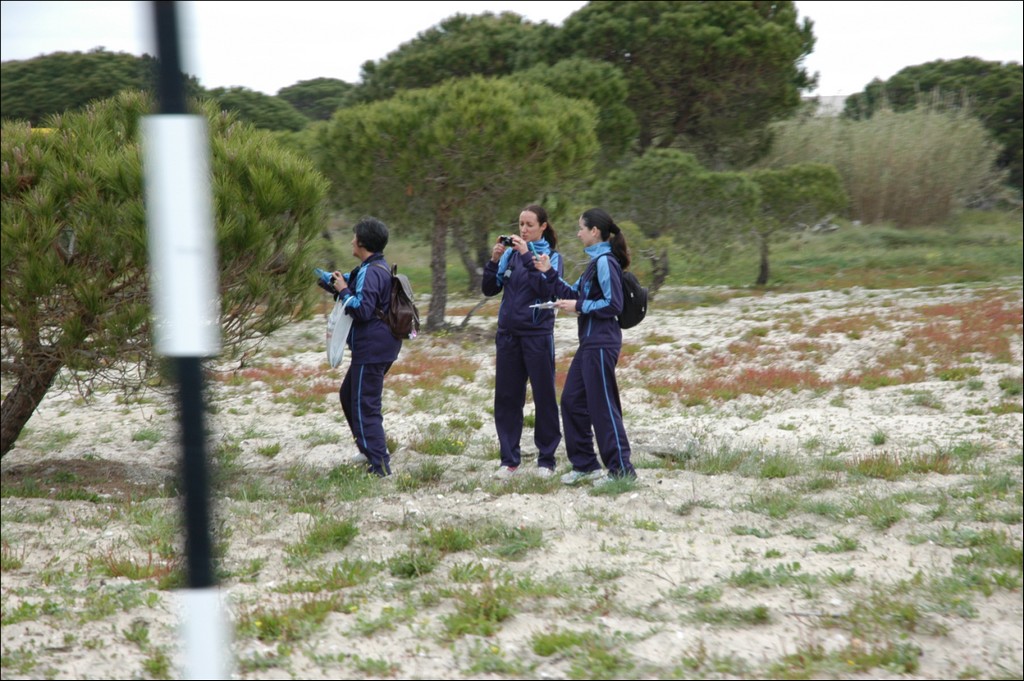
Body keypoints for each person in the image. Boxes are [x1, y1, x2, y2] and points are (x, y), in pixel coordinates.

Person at [535, 208, 636, 485]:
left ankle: (622, 472)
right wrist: (548, 273)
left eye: (581, 228)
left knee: (603, 407)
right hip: (590, 343)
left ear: (595, 232)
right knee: (571, 401)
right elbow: (571, 294)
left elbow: (614, 304)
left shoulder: (605, 262)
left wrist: (580, 306)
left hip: (602, 343)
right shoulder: (593, 264)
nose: (577, 233)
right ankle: (585, 465)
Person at [481, 204, 564, 479]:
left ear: (542, 226)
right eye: (520, 225)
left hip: (537, 336)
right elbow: (489, 289)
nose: (524, 230)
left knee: (544, 397)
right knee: (506, 398)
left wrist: (528, 255)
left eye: (529, 225)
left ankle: (547, 460)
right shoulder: (510, 258)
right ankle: (509, 460)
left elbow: (547, 289)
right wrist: (494, 261)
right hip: (508, 336)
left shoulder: (551, 256)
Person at [329, 217, 402, 477]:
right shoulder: (375, 267)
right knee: (349, 395)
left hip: (372, 349)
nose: (351, 240)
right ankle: (367, 450)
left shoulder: (371, 272)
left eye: (353, 237)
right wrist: (337, 285)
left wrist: (344, 291)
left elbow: (362, 310)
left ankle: (380, 465)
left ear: (361, 242)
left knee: (365, 404)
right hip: (382, 346)